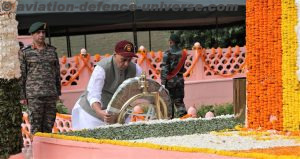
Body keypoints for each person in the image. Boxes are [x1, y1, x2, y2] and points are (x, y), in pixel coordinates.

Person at [72, 40, 142, 130]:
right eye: (123, 59)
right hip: (91, 115)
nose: (126, 64)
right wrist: (99, 111)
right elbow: (93, 94)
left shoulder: (136, 69)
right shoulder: (102, 68)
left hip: (118, 115)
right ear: (115, 54)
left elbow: (137, 92)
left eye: (129, 60)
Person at [19, 22, 61, 135]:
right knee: (36, 126)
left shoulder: (52, 51)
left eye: (43, 32)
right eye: (38, 32)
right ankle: (37, 151)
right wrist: (23, 96)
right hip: (34, 95)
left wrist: (58, 92)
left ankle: (47, 152)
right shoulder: (25, 53)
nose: (41, 35)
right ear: (32, 35)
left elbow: (57, 73)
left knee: (49, 125)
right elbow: (22, 75)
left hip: (50, 94)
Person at [160, 34, 188, 118]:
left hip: (170, 81)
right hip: (180, 80)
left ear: (171, 42)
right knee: (179, 101)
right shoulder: (184, 53)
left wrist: (163, 83)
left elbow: (165, 69)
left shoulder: (167, 53)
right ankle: (184, 120)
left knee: (169, 102)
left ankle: (171, 121)